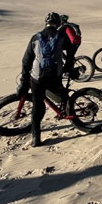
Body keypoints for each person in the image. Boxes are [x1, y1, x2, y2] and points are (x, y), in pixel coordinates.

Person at [17, 12, 76, 147]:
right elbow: (71, 53)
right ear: (59, 23)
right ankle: (68, 110)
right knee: (62, 94)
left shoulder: (35, 38)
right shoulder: (61, 36)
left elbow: (26, 60)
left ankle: (36, 139)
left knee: (37, 107)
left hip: (37, 77)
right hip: (55, 75)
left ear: (45, 23)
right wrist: (68, 67)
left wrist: (23, 80)